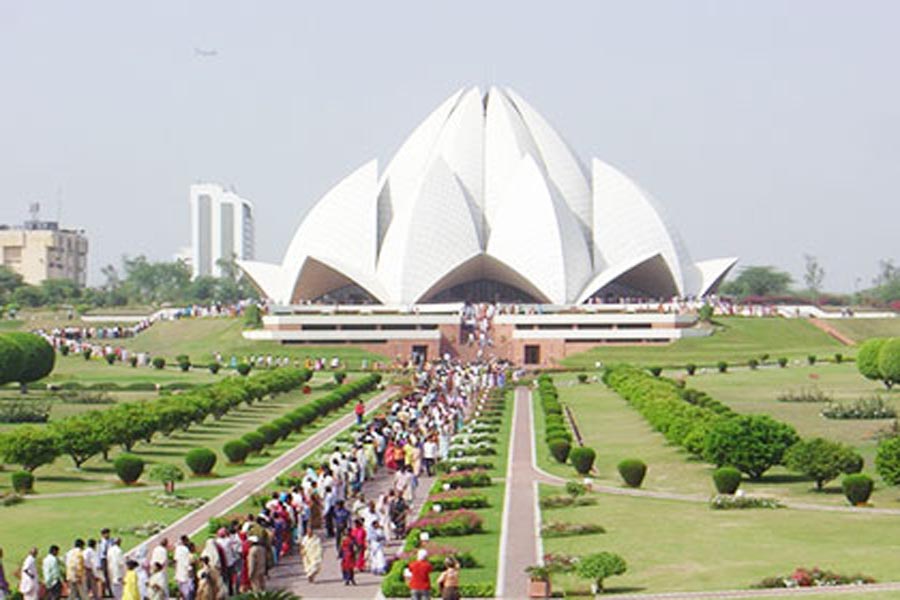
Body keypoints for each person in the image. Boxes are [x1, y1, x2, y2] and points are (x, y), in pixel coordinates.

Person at [173, 536, 194, 600]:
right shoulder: (186, 550)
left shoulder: (177, 549)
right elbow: (188, 562)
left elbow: (175, 561)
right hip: (186, 573)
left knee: (182, 592)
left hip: (179, 573)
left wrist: (175, 572)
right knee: (188, 592)